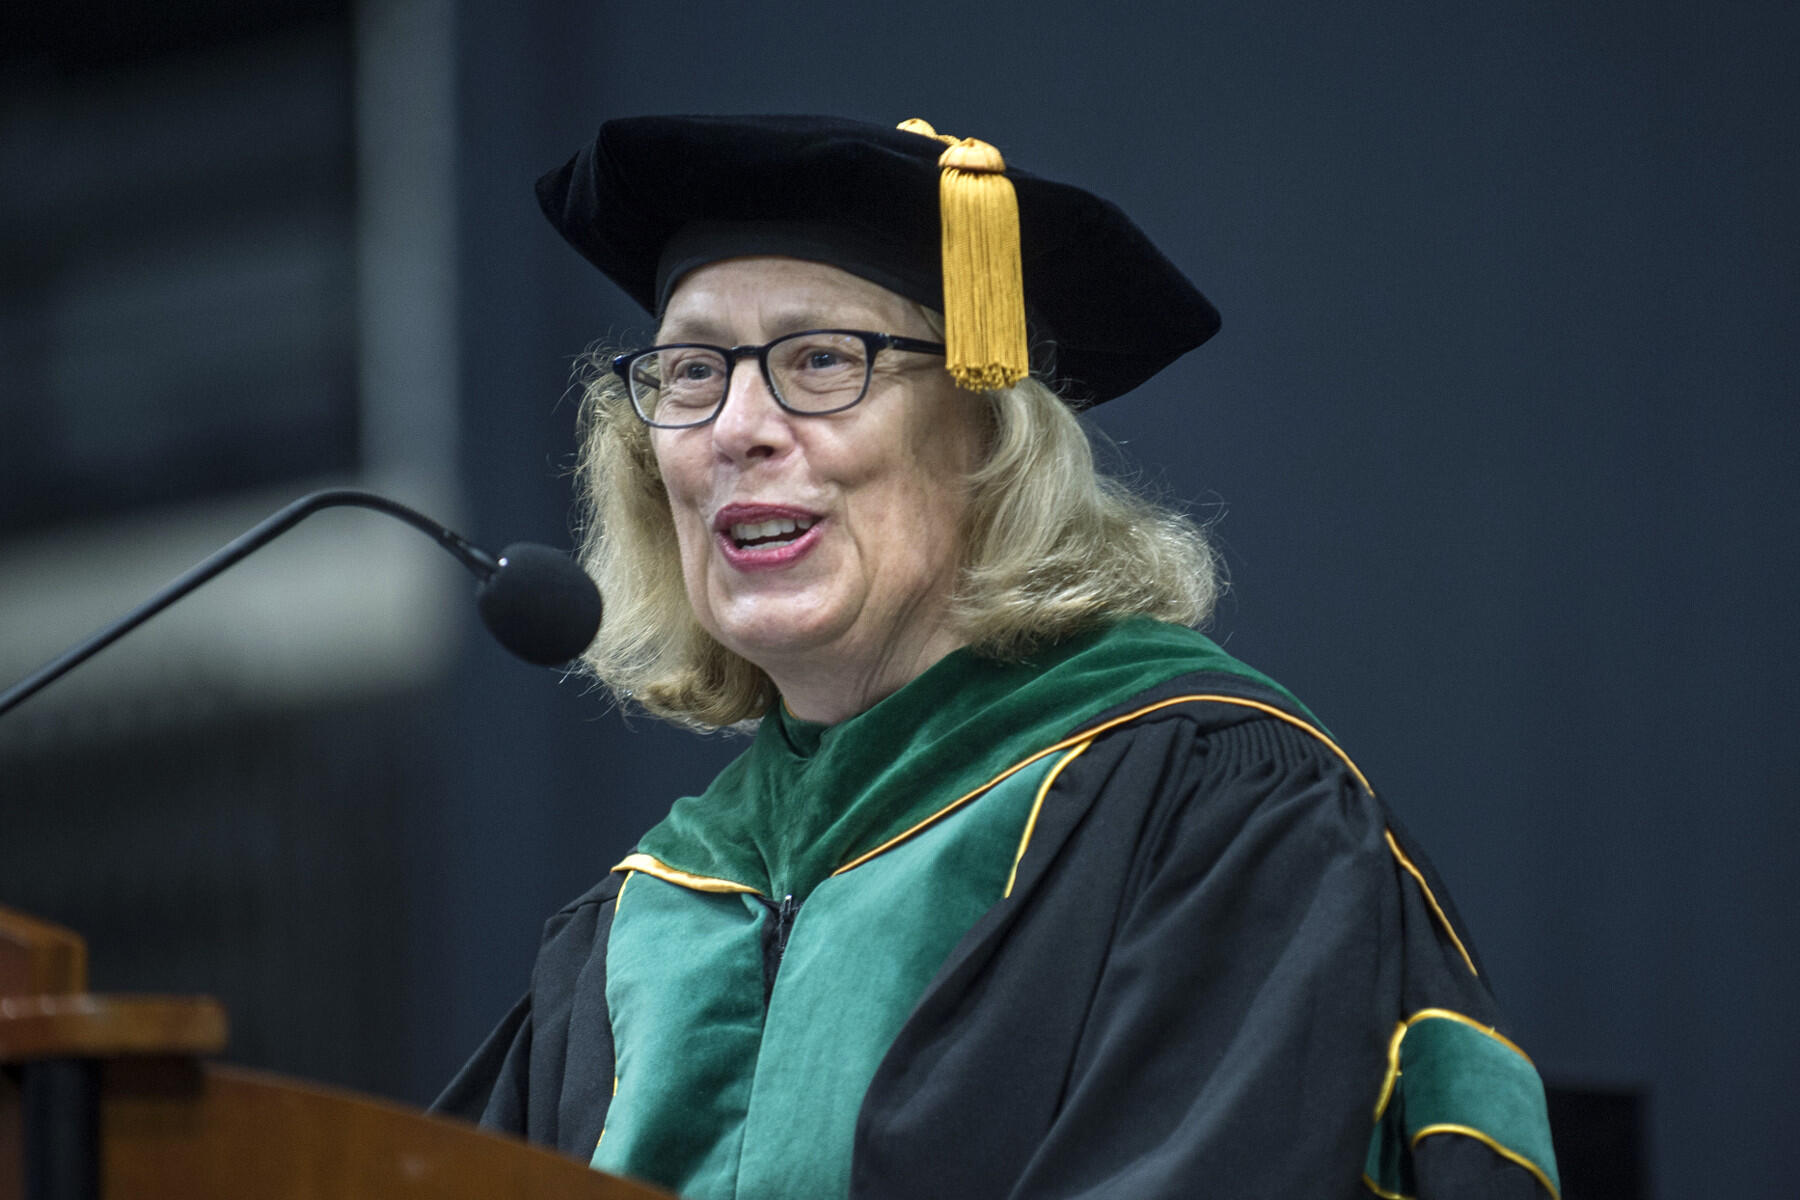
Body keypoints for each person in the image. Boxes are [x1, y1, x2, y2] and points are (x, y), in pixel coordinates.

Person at [435, 114, 1561, 1200]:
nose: (738, 426)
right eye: (690, 374)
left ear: (990, 438)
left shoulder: (1209, 810)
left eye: (822, 361)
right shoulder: (640, 929)